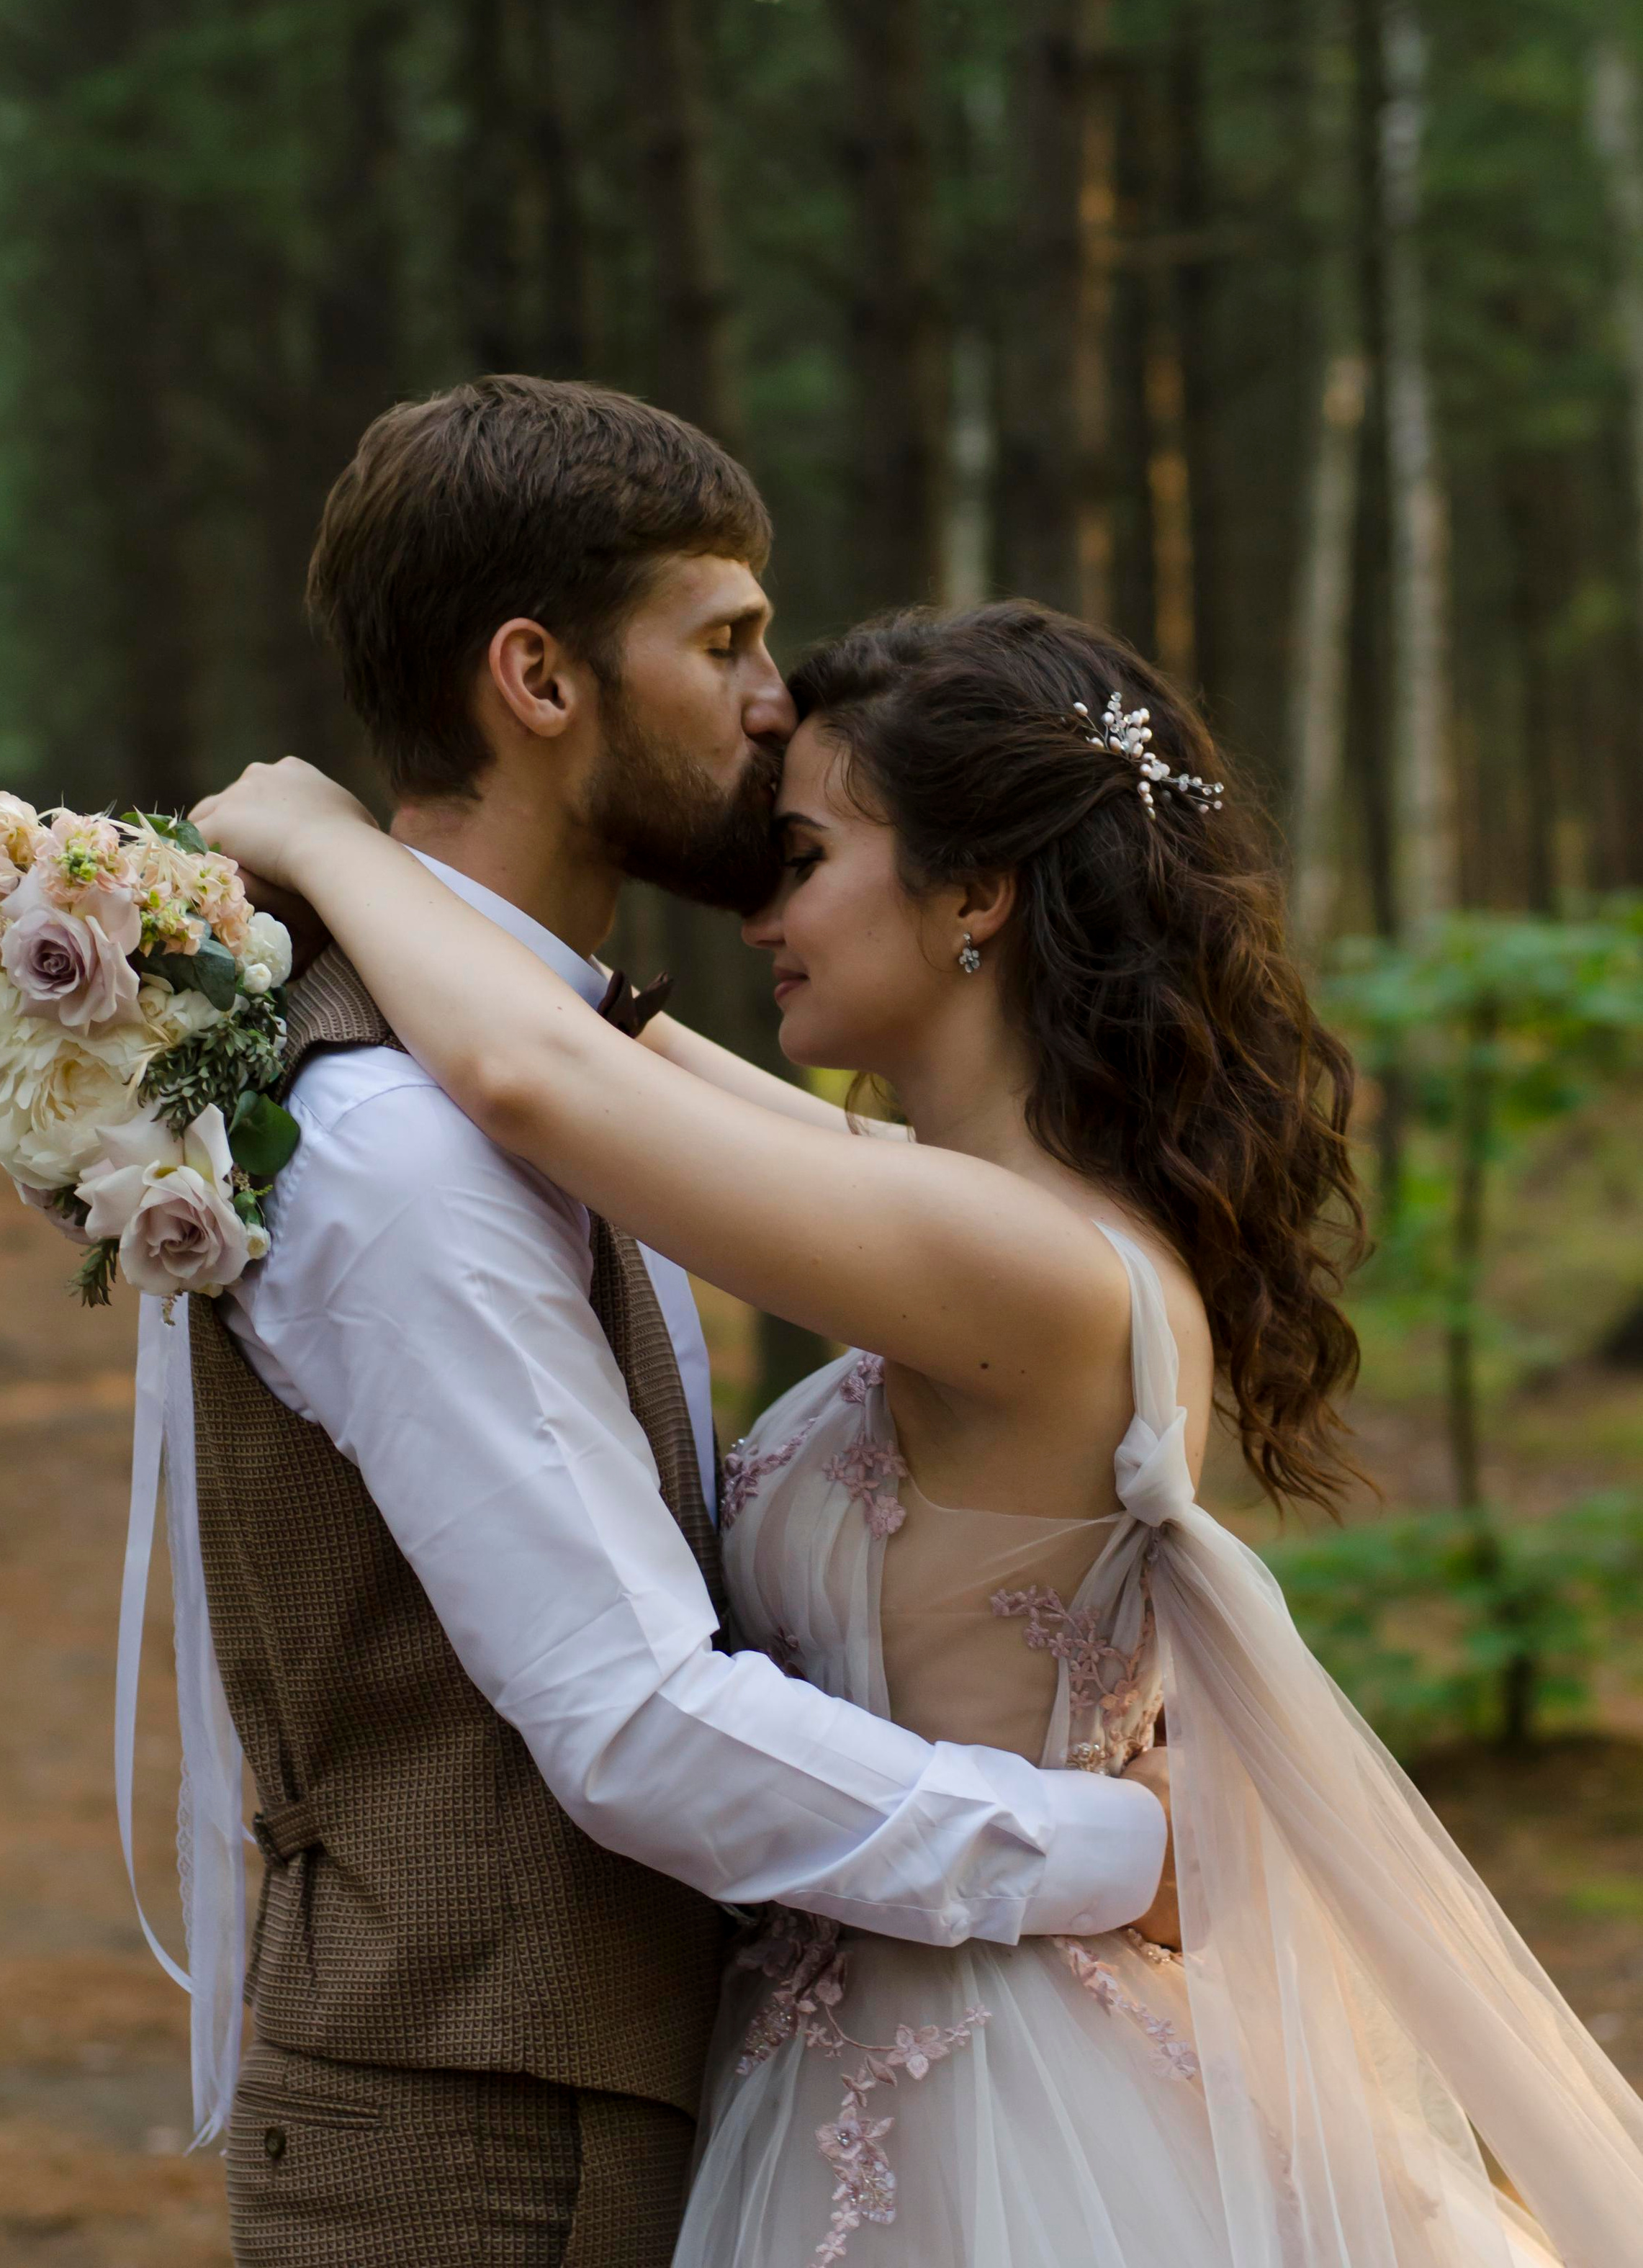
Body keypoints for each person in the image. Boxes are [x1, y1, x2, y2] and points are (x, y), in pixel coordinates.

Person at [197, 597, 1643, 2268]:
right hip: (868, 2045)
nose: (763, 914)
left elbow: (537, 1077)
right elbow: (609, 1038)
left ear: (974, 894)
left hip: (1000, 2101)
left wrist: (320, 837)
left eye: (802, 857)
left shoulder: (1025, 1268)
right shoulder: (980, 1218)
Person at [151, 378, 1171, 2268]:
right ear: (538, 681)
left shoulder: (550, 1082)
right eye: (727, 641)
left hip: (639, 2100)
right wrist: (1124, 1853)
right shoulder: (400, 1144)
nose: (775, 698)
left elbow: (569, 1054)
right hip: (472, 2144)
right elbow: (631, 1718)